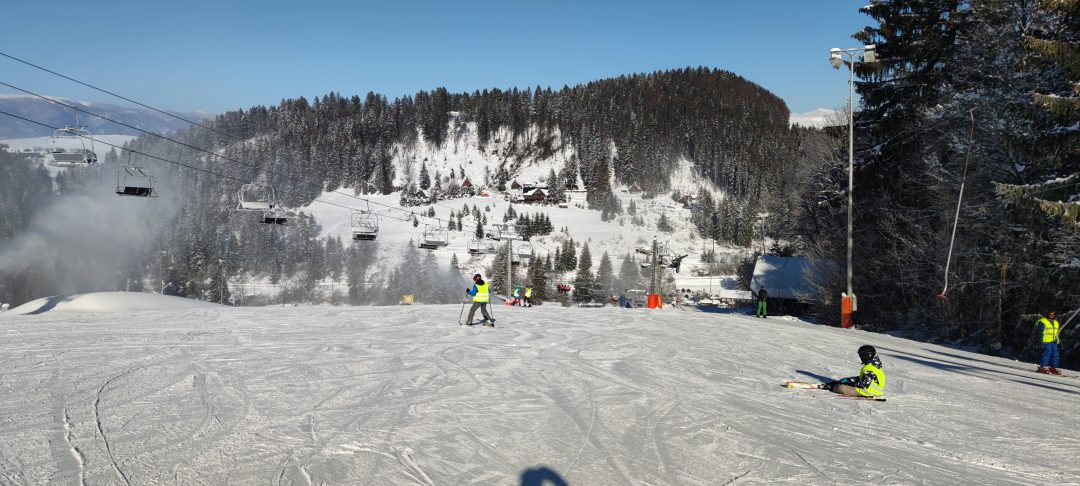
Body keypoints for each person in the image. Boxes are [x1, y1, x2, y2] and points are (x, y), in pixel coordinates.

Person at [820, 345, 886, 398]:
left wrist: (848, 384)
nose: (860, 358)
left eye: (861, 356)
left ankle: (832, 387)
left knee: (839, 388)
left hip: (869, 392)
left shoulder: (869, 368)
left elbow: (863, 385)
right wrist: (848, 380)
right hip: (872, 390)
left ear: (866, 356)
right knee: (843, 382)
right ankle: (836, 384)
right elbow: (864, 379)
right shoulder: (874, 365)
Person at [1036, 311, 1061, 375]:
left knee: (1055, 354)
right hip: (1046, 341)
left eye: (1053, 314)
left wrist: (1058, 341)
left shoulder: (1056, 322)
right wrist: (1040, 341)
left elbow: (1056, 333)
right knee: (1047, 354)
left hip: (1054, 341)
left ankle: (1054, 367)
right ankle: (1043, 366)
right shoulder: (1042, 321)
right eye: (1050, 314)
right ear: (1047, 314)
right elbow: (1040, 332)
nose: (1052, 315)